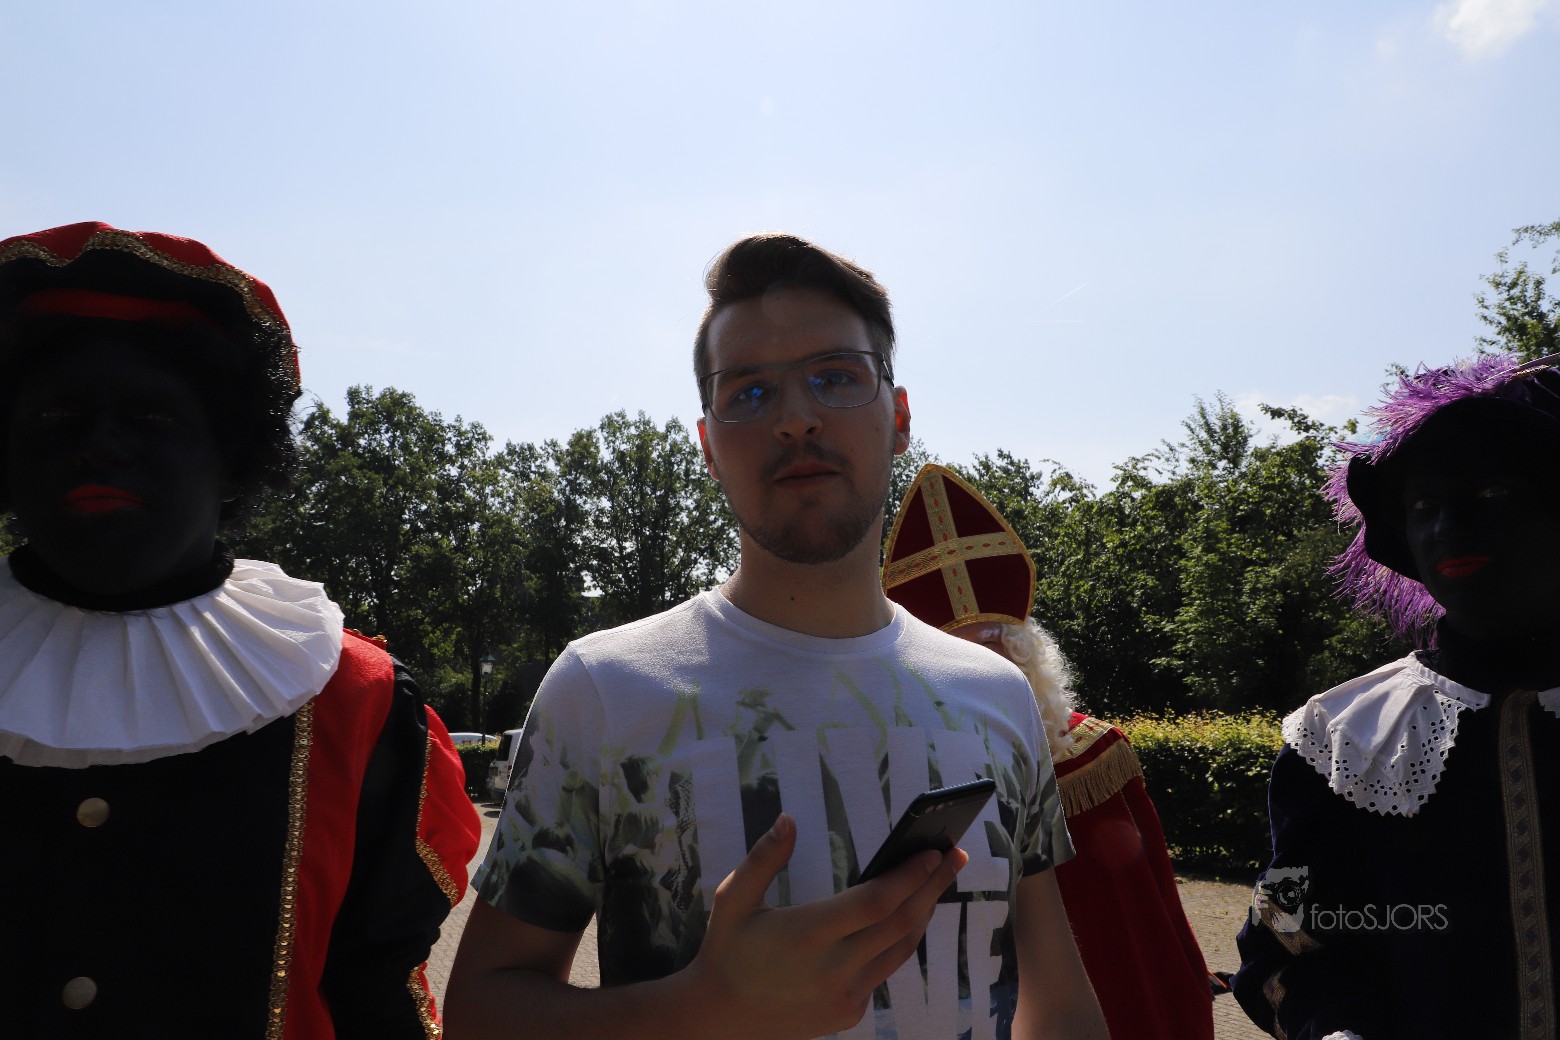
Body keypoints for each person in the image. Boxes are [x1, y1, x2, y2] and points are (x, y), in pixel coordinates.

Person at [446, 233, 1107, 1039]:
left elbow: (1059, 1008)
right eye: (750, 392)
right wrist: (703, 1009)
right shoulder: (603, 690)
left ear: (899, 418)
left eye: (836, 376)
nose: (796, 419)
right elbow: (478, 1014)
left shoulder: (997, 694)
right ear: (708, 448)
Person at [0, 221, 481, 1038]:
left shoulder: (355, 703)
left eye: (149, 416)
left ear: (232, 460)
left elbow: (378, 996)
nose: (100, 445)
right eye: (58, 415)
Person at [1233, 352, 1560, 1039]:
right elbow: (1281, 933)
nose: (1448, 527)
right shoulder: (1340, 736)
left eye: (1490, 494)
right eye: (1423, 506)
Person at [882, 462, 1216, 1040]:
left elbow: (1149, 929)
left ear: (1021, 651)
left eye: (991, 645)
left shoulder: (1094, 756)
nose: (978, 669)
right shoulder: (901, 770)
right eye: (953, 652)